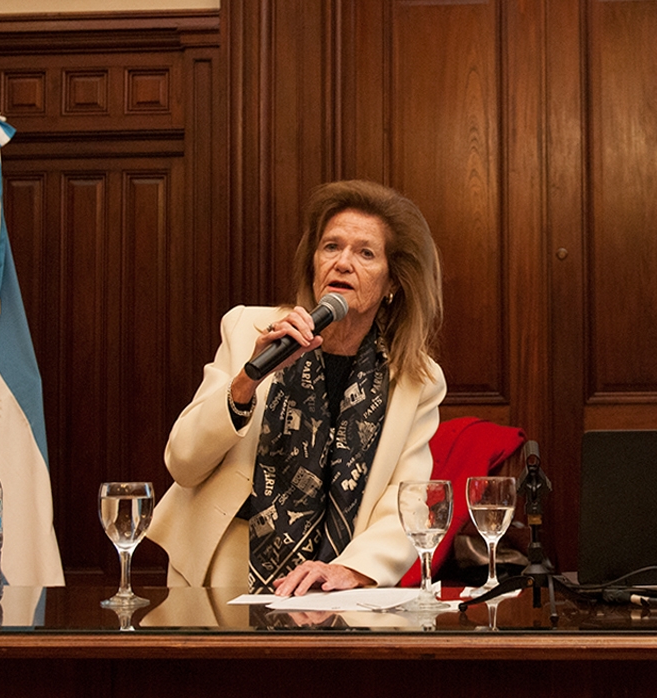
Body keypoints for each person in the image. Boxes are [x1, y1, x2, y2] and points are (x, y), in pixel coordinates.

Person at [147, 180, 446, 596]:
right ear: (313, 262)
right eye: (331, 247)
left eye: (365, 253)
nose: (342, 263)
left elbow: (407, 499)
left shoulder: (417, 379)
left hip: (333, 584)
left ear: (392, 281)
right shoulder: (248, 329)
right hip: (222, 569)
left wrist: (354, 569)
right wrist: (247, 381)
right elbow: (182, 463)